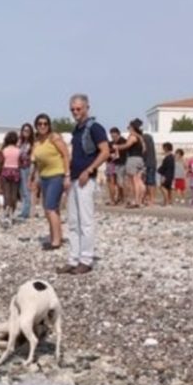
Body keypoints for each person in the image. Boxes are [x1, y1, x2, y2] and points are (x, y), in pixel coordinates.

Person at [58, 94, 110, 275]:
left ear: (87, 107)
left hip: (85, 179)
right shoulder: (77, 130)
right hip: (74, 178)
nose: (75, 112)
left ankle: (86, 259)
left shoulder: (95, 128)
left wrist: (89, 170)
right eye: (72, 109)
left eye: (78, 109)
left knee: (85, 221)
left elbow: (105, 151)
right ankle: (73, 258)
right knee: (73, 221)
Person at [31, 113, 70, 251]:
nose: (42, 126)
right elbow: (37, 163)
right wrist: (35, 178)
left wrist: (67, 175)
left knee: (50, 208)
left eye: (45, 123)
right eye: (40, 124)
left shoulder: (54, 138)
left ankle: (56, 241)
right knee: (51, 209)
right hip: (44, 177)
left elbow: (66, 155)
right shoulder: (37, 142)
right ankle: (55, 236)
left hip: (57, 175)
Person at [112, 119, 145, 208]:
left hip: (132, 159)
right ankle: (140, 201)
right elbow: (144, 149)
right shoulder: (141, 137)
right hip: (140, 159)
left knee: (133, 180)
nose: (128, 129)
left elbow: (127, 145)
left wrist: (117, 147)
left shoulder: (132, 136)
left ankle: (136, 201)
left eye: (129, 127)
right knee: (139, 180)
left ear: (133, 127)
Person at [0, 131, 21, 223]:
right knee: (14, 193)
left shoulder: (4, 150)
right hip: (15, 171)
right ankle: (13, 211)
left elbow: (0, 162)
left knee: (6, 192)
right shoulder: (19, 151)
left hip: (6, 171)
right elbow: (21, 162)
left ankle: (6, 209)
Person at [17, 123, 35, 219]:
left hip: (27, 168)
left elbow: (33, 160)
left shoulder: (32, 144)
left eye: (27, 131)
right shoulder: (21, 143)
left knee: (26, 189)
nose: (25, 133)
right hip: (20, 167)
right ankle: (24, 210)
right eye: (24, 130)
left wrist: (31, 174)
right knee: (21, 190)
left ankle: (25, 212)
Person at [106, 128, 126, 205]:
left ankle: (121, 198)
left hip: (120, 163)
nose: (113, 137)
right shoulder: (109, 143)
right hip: (111, 163)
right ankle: (112, 199)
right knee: (111, 182)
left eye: (114, 135)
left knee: (120, 182)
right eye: (112, 135)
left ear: (118, 134)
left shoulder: (123, 141)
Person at [143, 131, 157, 206]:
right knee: (151, 182)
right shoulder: (151, 146)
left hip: (148, 164)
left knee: (149, 182)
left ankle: (151, 199)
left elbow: (144, 152)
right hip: (152, 163)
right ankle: (150, 198)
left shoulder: (145, 143)